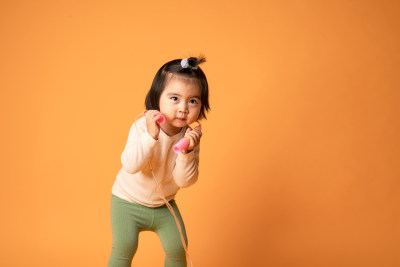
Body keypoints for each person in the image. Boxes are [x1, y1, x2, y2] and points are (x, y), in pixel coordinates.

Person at [108, 56, 211, 267]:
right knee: (125, 246)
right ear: (157, 99)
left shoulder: (189, 137)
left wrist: (187, 153)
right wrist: (151, 137)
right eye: (174, 98)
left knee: (177, 247)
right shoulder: (142, 126)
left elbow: (185, 181)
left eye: (193, 101)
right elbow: (130, 165)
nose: (183, 108)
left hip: (164, 205)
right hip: (127, 202)